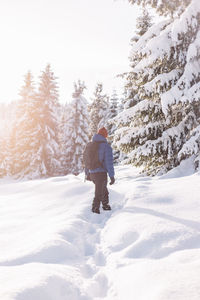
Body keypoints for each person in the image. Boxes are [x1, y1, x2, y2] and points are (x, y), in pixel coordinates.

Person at [85, 127, 115, 214]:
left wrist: (87, 173)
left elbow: (87, 161)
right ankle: (95, 208)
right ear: (105, 136)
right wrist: (112, 176)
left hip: (92, 173)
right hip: (101, 173)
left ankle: (105, 205)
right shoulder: (106, 147)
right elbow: (109, 163)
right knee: (99, 191)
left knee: (103, 189)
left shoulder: (90, 145)